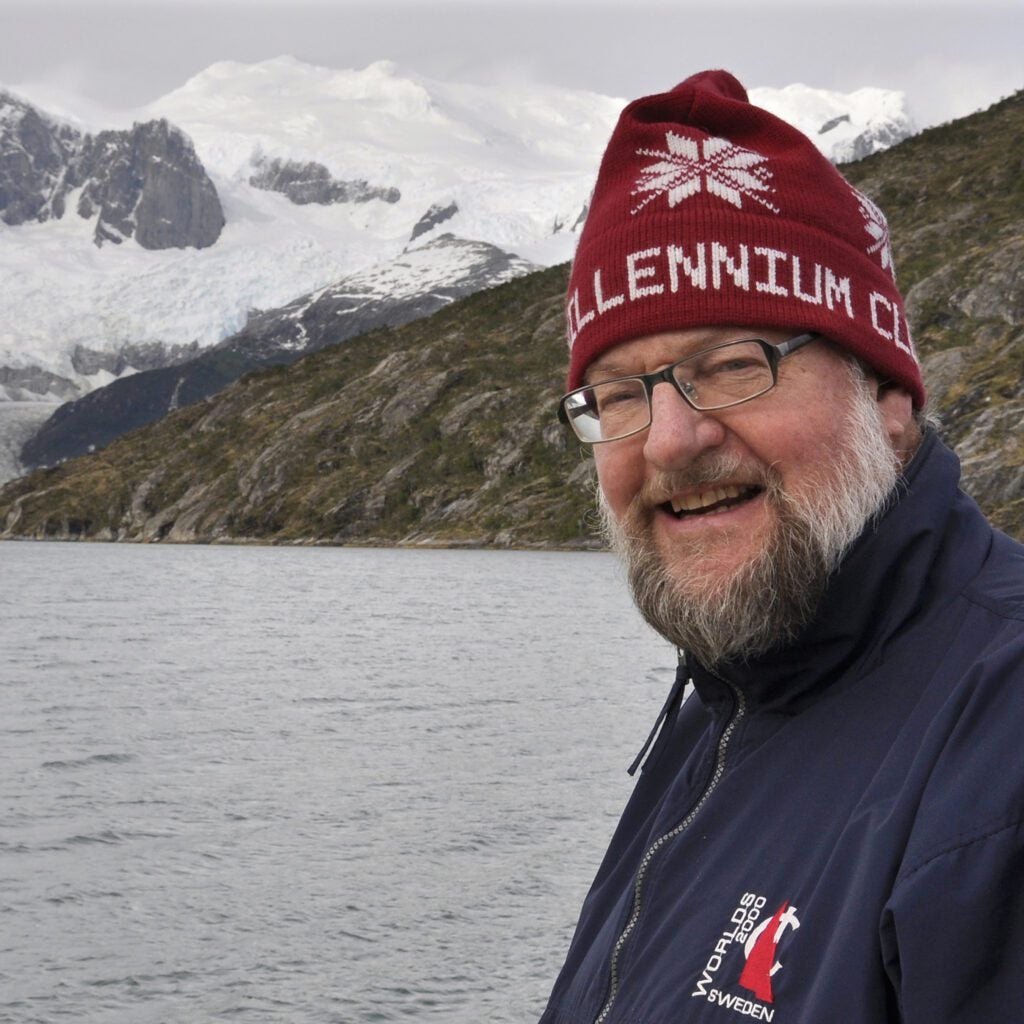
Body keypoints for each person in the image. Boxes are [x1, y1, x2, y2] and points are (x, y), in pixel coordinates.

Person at [540, 69, 1024, 1024]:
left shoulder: (1002, 738)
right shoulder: (735, 696)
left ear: (887, 397)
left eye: (733, 365)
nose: (670, 442)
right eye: (621, 394)